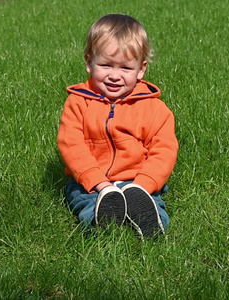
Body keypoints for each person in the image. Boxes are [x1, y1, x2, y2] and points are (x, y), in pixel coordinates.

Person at [57, 14, 178, 239]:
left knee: (152, 201)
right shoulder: (78, 103)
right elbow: (71, 145)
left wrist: (143, 184)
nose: (114, 75)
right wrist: (99, 183)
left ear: (141, 70)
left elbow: (164, 151)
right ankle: (99, 218)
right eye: (105, 65)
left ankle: (151, 221)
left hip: (137, 180)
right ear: (88, 62)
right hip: (91, 181)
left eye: (125, 68)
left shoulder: (154, 109)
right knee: (83, 199)